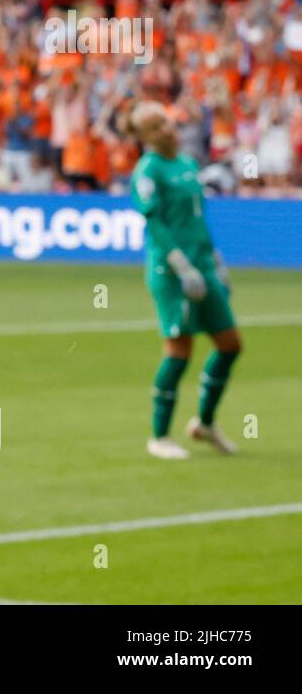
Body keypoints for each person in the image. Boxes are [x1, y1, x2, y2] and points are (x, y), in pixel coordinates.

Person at [130, 102, 242, 460]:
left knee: (230, 344)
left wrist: (216, 262)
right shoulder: (148, 170)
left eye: (164, 121)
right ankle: (159, 436)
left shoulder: (188, 164)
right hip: (172, 272)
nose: (165, 128)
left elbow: (197, 220)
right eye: (154, 127)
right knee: (179, 351)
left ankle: (205, 423)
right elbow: (156, 224)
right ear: (145, 138)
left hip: (202, 265)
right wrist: (181, 266)